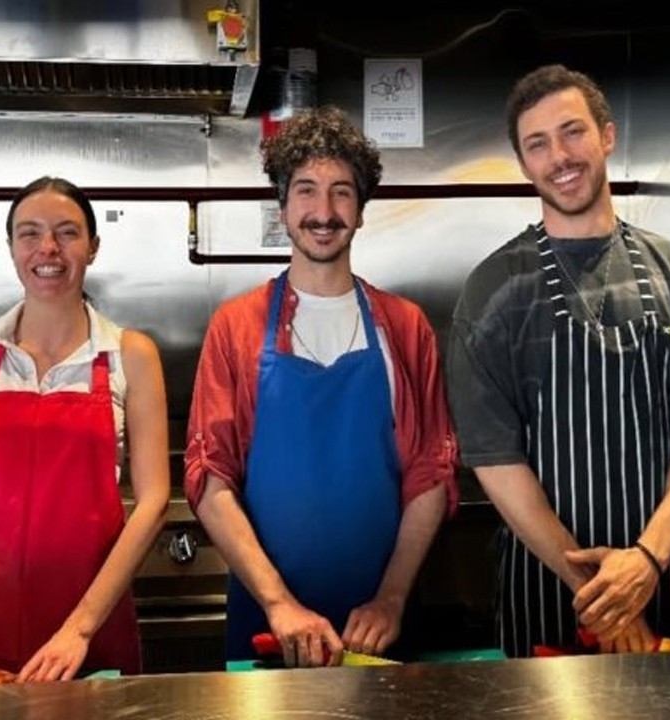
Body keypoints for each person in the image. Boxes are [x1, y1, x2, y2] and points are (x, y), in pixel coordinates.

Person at [445, 65, 670, 658]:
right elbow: (495, 458)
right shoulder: (492, 291)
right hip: (549, 594)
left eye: (573, 132)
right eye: (538, 144)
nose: (560, 156)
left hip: (667, 582)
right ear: (524, 164)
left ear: (607, 136)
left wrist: (646, 561)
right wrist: (595, 592)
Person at [185, 106, 459, 668]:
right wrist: (279, 603)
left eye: (341, 192)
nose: (324, 212)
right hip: (268, 626)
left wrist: (391, 599)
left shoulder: (404, 326)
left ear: (360, 209)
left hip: (379, 632)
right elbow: (210, 477)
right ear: (283, 206)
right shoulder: (235, 326)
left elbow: (431, 473)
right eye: (306, 190)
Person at [0, 176, 170, 680]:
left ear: (93, 247)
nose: (48, 248)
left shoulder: (130, 355)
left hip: (89, 626)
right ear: (11, 247)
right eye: (29, 233)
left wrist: (80, 628)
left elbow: (154, 502)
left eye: (67, 232)